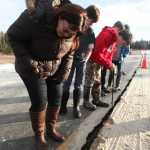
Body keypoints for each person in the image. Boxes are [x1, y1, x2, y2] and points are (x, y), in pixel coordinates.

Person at [7, 3, 87, 150]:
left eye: (71, 33)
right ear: (61, 17)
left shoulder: (73, 32)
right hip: (30, 67)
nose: (66, 34)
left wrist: (63, 73)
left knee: (56, 97)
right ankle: (39, 135)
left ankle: (51, 129)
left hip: (54, 69)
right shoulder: (35, 18)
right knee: (40, 101)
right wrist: (31, 63)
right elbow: (12, 35)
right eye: (65, 30)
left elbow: (70, 52)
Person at [59, 5, 100, 118]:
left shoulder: (91, 33)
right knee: (66, 83)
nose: (89, 24)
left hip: (81, 61)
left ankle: (76, 107)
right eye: (89, 21)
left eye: (92, 23)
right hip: (70, 59)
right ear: (85, 15)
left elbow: (90, 49)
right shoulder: (76, 25)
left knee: (78, 85)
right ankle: (62, 105)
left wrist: (86, 58)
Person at [83, 21, 131, 111]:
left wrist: (111, 64)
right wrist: (109, 64)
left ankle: (96, 100)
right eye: (123, 43)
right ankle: (86, 101)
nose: (121, 45)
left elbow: (109, 54)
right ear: (120, 36)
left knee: (97, 81)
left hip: (100, 61)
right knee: (89, 81)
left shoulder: (114, 40)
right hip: (93, 59)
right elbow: (97, 53)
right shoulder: (106, 35)